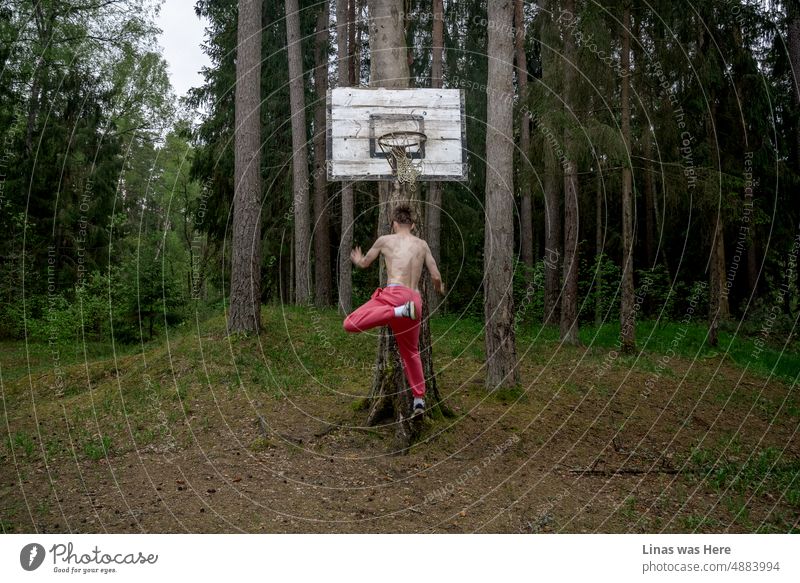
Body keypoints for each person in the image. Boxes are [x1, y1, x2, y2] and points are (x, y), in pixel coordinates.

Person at [343, 204, 445, 417]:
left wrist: (357, 260)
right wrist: (439, 288)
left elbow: (365, 262)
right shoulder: (422, 244)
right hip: (414, 300)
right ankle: (419, 399)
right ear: (413, 225)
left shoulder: (385, 240)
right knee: (411, 352)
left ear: (394, 224)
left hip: (392, 297)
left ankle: (397, 312)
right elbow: (435, 276)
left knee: (350, 323)